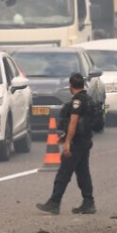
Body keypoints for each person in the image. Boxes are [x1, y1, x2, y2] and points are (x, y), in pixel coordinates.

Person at [36, 73, 96, 215]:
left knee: (64, 172)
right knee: (83, 173)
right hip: (85, 140)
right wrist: (65, 137)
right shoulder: (87, 99)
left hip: (77, 142)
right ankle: (88, 203)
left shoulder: (77, 101)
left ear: (71, 86)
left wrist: (68, 142)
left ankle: (54, 202)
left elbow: (73, 122)